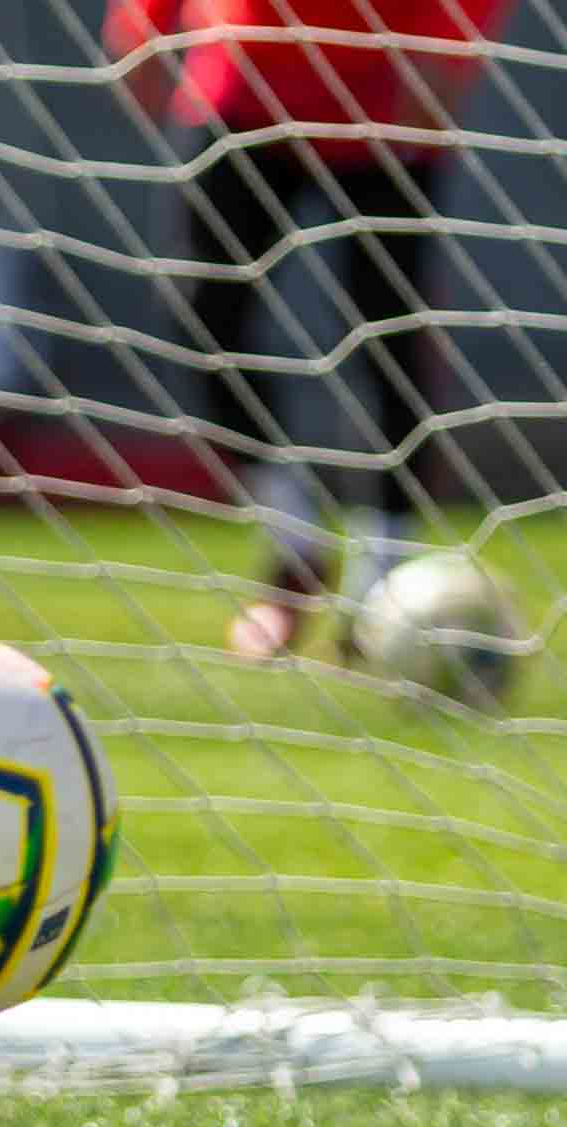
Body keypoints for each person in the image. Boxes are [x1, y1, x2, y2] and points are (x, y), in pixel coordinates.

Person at [101, 0, 515, 659]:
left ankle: (383, 582)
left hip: (388, 98)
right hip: (242, 94)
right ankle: (294, 543)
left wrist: (451, 57)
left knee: (391, 336)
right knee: (202, 320)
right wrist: (144, 19)